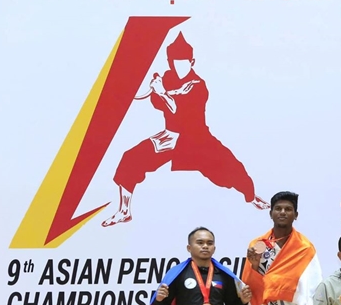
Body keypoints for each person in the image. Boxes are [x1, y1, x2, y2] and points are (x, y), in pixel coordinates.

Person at [102, 32, 268, 227]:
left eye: (183, 62)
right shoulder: (167, 78)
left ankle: (251, 196)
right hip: (170, 136)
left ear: (192, 62)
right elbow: (156, 102)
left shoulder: (198, 85)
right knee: (131, 158)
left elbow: (179, 110)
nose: (178, 66)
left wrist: (163, 92)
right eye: (174, 62)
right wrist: (156, 90)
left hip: (197, 138)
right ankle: (124, 211)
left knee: (231, 167)